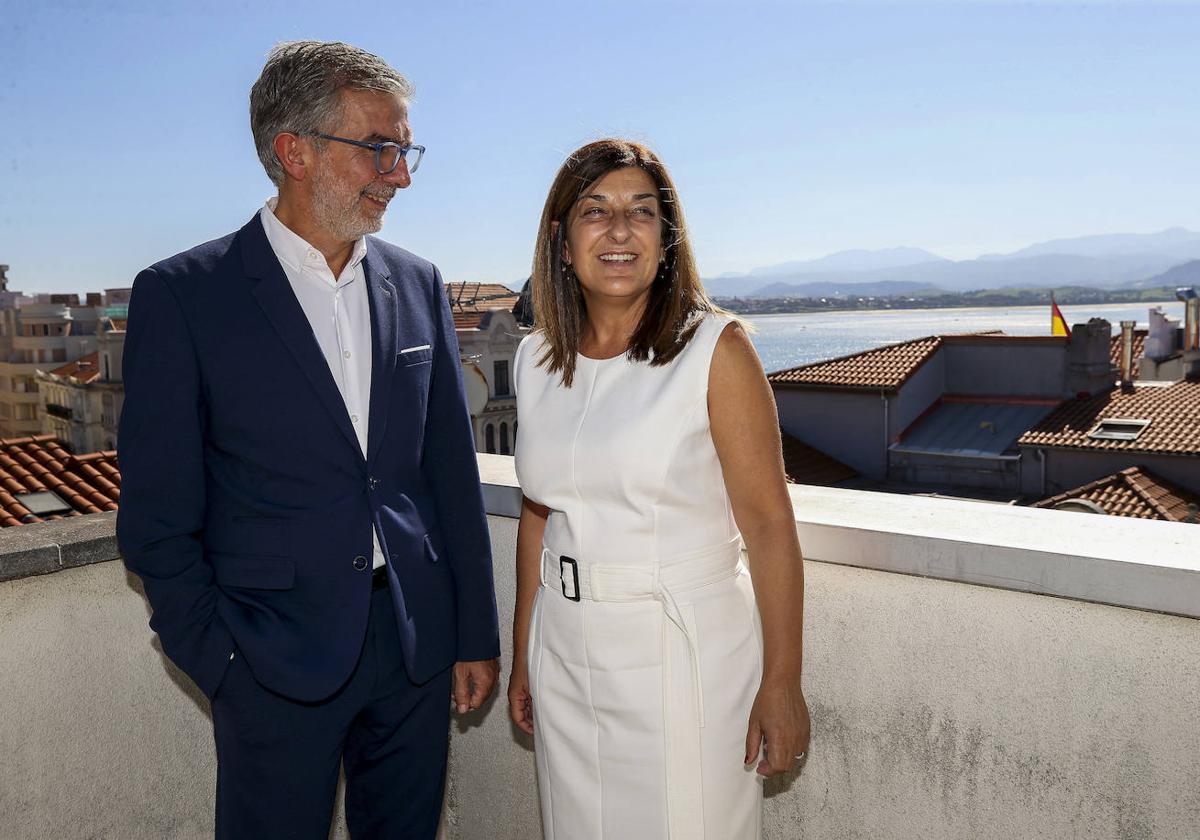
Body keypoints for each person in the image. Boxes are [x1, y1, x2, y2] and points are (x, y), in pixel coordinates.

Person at [117, 41, 500, 839]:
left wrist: (470, 635)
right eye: (380, 148)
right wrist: (222, 664)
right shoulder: (185, 296)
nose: (399, 174)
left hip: (414, 651)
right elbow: (157, 516)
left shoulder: (418, 281)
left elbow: (447, 476)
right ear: (294, 151)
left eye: (405, 150)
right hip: (270, 661)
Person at [507, 138, 811, 839]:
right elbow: (538, 515)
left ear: (667, 239)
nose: (619, 231)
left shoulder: (715, 349)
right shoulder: (534, 360)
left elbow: (768, 524)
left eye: (641, 212)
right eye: (595, 211)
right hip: (566, 654)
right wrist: (525, 648)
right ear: (561, 239)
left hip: (683, 655)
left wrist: (784, 681)